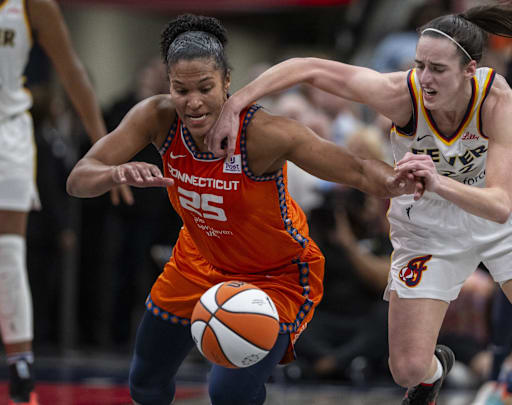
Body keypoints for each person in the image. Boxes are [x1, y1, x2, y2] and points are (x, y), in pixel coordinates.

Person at [206, 2, 512, 404]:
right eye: (419, 64)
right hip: (429, 222)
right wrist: (236, 104)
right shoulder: (400, 94)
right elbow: (308, 67)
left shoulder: (496, 99)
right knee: (406, 367)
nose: (424, 78)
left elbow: (498, 205)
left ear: (469, 70)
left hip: (505, 217)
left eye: (438, 69)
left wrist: (437, 180)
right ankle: (434, 372)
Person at [65, 14, 415, 405]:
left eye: (205, 88)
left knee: (228, 394)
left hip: (273, 276)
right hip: (196, 263)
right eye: (181, 89)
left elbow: (358, 169)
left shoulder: (263, 135)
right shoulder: (156, 117)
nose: (193, 102)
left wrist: (396, 180)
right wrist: (115, 172)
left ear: (227, 83)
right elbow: (79, 178)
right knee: (145, 381)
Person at [0, 1, 129, 403]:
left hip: (8, 133)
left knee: (8, 249)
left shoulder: (33, 5)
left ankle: (21, 362)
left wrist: (104, 149)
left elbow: (72, 70)